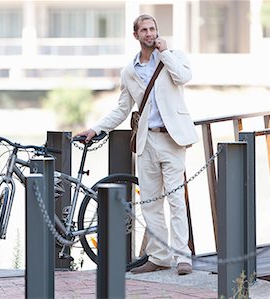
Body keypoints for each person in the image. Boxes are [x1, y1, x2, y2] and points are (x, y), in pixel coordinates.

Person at [76, 14, 198, 275]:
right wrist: (96, 129)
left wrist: (165, 53)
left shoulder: (173, 56)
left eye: (153, 28)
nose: (150, 33)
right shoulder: (129, 71)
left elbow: (184, 77)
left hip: (172, 138)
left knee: (175, 199)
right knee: (151, 202)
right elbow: (122, 109)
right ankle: (159, 256)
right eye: (144, 30)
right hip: (146, 141)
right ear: (136, 35)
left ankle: (182, 256)